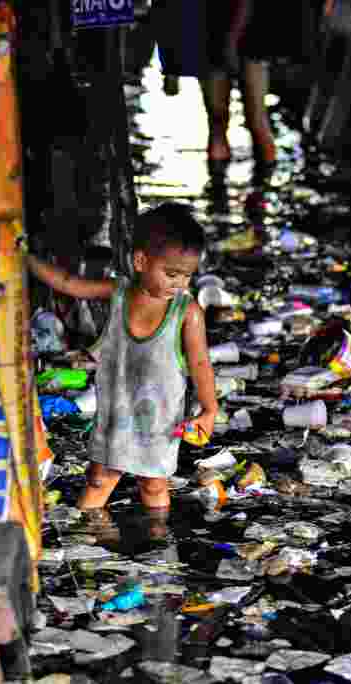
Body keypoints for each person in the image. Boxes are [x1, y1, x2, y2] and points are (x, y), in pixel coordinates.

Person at [26, 203, 219, 514]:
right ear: (141, 261)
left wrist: (209, 409)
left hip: (160, 420)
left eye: (187, 276)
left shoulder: (187, 313)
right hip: (116, 412)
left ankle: (158, 548)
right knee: (100, 480)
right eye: (171, 274)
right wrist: (24, 257)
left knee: (153, 484)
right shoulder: (118, 294)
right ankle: (82, 543)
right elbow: (68, 283)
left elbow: (200, 364)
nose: (180, 284)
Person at [202, 0, 278, 183]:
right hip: (214, 31)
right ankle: (221, 189)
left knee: (255, 120)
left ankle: (263, 187)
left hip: (251, 35)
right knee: (218, 117)